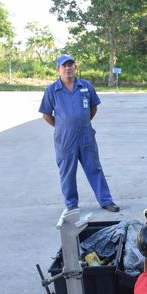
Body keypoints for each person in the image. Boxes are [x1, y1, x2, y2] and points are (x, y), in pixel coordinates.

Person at [39, 54, 120, 213]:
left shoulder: (85, 86)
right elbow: (46, 115)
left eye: (71, 65)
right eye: (64, 66)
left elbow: (93, 107)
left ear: (75, 67)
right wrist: (62, 126)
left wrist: (82, 122)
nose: (68, 68)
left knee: (94, 168)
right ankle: (71, 204)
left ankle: (106, 200)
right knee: (67, 172)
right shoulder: (52, 90)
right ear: (58, 69)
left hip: (86, 136)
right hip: (65, 139)